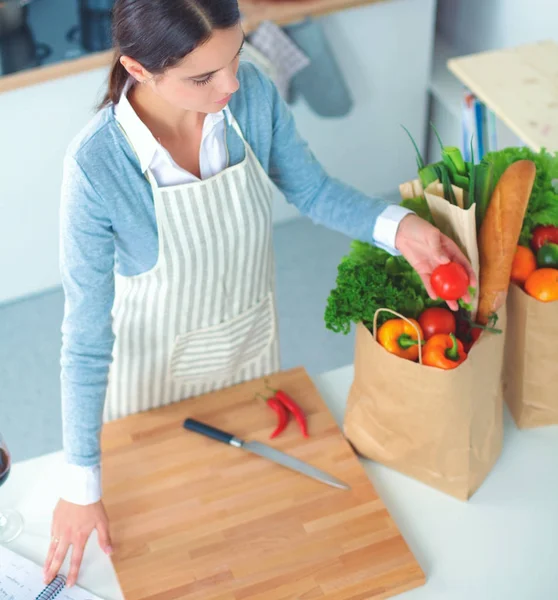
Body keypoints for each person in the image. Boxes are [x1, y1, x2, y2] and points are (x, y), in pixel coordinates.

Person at [43, 0, 475, 586]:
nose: (231, 84)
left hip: (249, 353)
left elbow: (314, 191)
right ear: (140, 70)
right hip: (151, 386)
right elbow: (85, 338)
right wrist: (79, 486)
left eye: (236, 57)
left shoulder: (252, 98)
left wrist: (402, 228)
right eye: (203, 77)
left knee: (260, 533)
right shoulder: (96, 168)